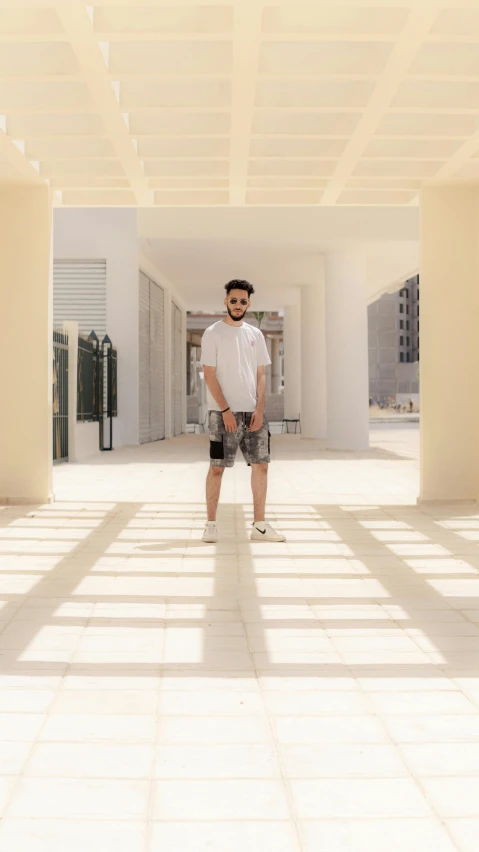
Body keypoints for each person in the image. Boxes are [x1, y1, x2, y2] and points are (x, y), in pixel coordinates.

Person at [200, 279, 286, 544]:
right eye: (234, 300)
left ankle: (259, 526)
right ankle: (211, 525)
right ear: (226, 301)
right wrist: (225, 409)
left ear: (249, 303)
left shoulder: (255, 335)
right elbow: (209, 373)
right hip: (221, 414)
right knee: (217, 468)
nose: (238, 305)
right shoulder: (212, 333)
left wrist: (259, 407)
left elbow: (261, 374)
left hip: (254, 414)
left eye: (243, 301)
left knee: (261, 467)